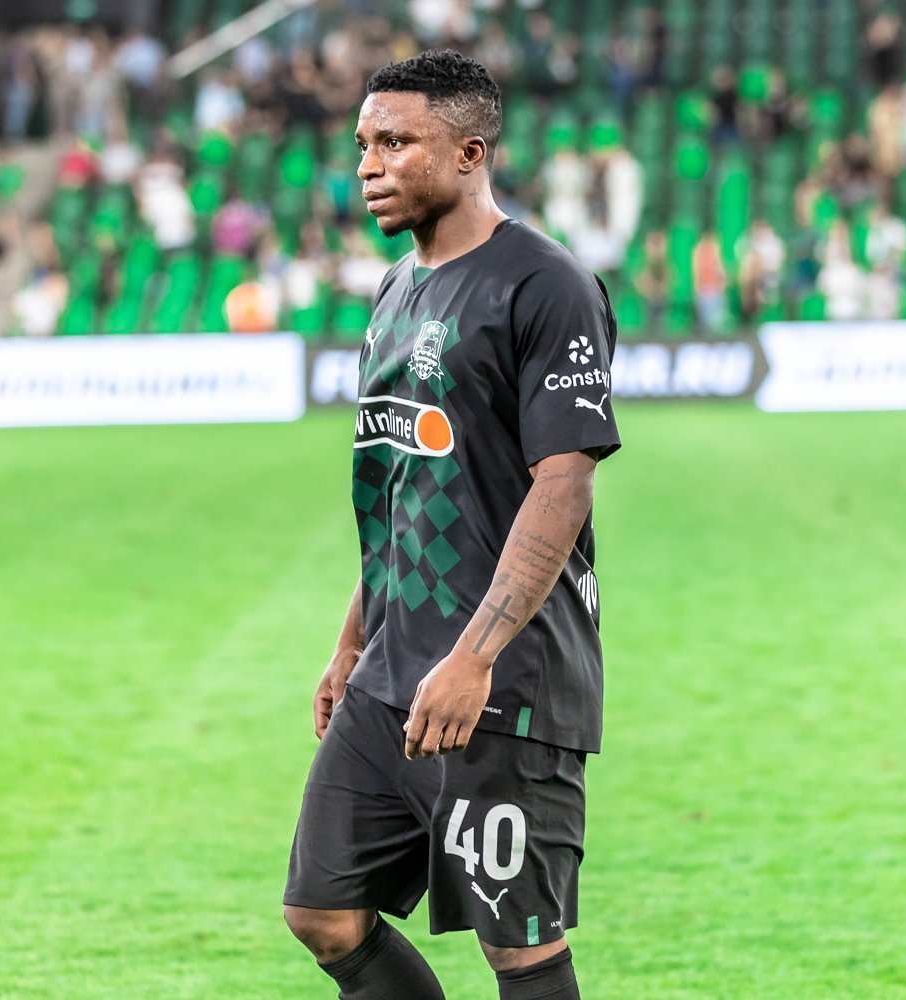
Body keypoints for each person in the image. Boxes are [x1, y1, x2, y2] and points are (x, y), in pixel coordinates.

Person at [284, 50, 619, 1000]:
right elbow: (404, 486)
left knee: (519, 945)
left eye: (396, 143)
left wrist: (474, 658)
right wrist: (352, 641)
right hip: (393, 672)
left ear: (470, 153)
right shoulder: (394, 290)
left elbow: (563, 487)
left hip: (504, 680)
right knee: (322, 912)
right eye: (363, 145)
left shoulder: (545, 285)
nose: (368, 166)